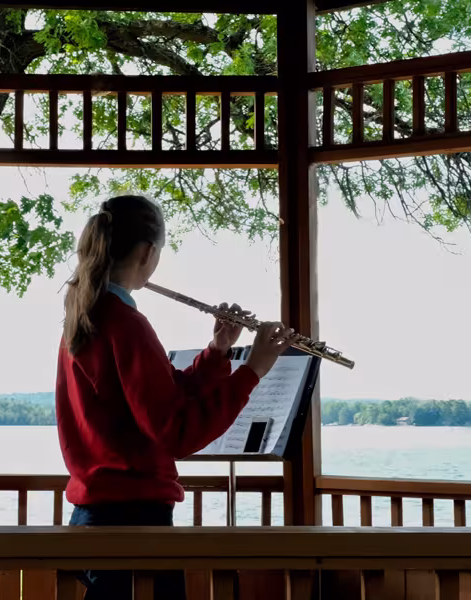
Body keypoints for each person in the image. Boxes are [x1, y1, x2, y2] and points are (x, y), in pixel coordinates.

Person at [56, 195, 296, 599]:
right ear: (149, 252)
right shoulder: (127, 324)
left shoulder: (88, 315)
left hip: (98, 515)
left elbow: (166, 397)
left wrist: (219, 351)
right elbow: (177, 432)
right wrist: (253, 370)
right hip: (131, 523)